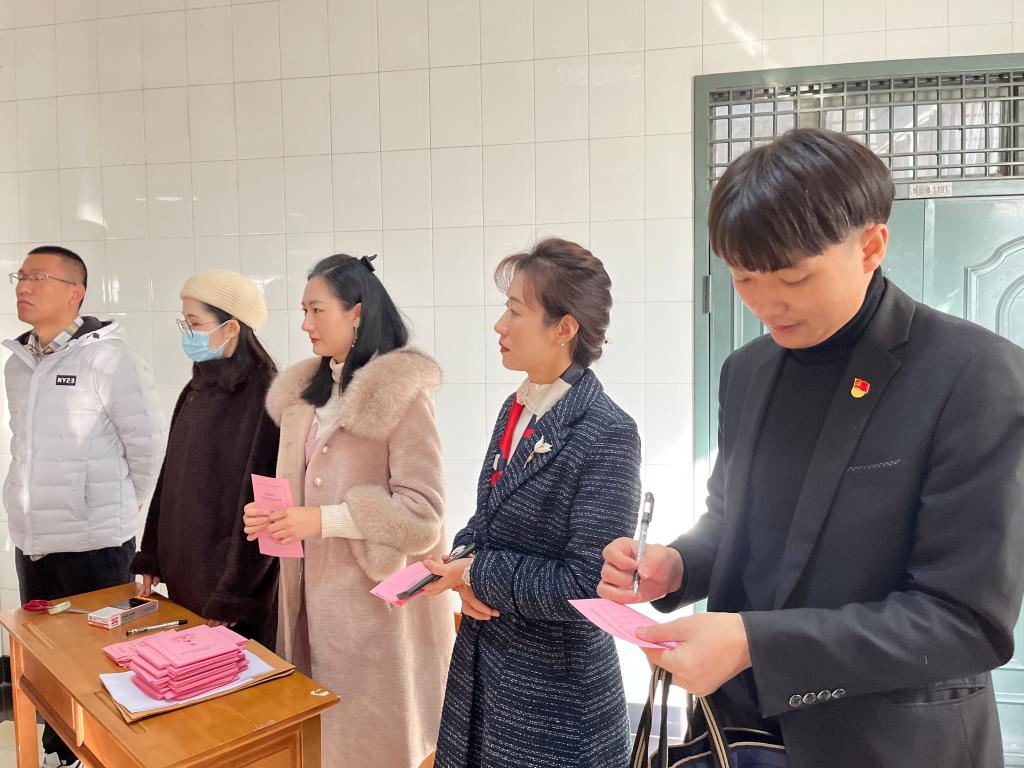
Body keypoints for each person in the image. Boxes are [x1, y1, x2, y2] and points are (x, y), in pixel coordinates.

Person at [598, 128, 1024, 768]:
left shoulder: (974, 374)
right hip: (739, 732)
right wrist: (677, 566)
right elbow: (732, 520)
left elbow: (965, 620)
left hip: (891, 742)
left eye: (794, 278)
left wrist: (756, 643)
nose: (767, 304)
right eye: (744, 277)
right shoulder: (747, 371)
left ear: (871, 246)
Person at [424, 238, 642, 768]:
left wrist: (476, 573)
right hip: (486, 672)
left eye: (515, 311)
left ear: (564, 328)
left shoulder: (607, 432)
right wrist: (461, 562)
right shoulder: (516, 406)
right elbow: (489, 516)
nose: (499, 325)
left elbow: (589, 584)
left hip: (556, 705)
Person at [243, 254, 454, 767]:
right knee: (317, 739)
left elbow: (423, 513)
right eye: (304, 311)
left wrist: (322, 521)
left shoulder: (402, 394)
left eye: (317, 310)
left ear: (356, 312)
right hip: (308, 596)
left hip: (373, 608)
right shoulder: (304, 398)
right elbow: (300, 492)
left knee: (371, 743)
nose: (305, 324)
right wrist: (272, 516)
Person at [4, 245, 166, 768]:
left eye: (38, 277)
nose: (23, 287)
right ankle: (62, 754)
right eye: (20, 276)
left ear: (76, 292)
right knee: (47, 662)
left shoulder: (109, 359)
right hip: (33, 541)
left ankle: (112, 754)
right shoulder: (18, 364)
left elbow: (148, 448)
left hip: (96, 543)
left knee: (103, 660)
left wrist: (119, 507)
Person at [131, 271, 281, 648]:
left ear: (231, 327)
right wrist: (152, 557)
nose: (187, 333)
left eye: (195, 323)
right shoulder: (196, 388)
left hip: (227, 584)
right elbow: (169, 479)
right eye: (185, 323)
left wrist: (236, 595)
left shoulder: (266, 394)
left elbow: (265, 505)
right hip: (185, 569)